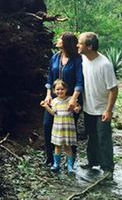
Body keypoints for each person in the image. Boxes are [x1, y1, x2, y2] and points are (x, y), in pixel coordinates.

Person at [77, 32, 118, 175]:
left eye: (80, 43)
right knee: (92, 136)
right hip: (89, 107)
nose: (78, 45)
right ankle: (93, 162)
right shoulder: (83, 59)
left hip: (102, 109)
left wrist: (109, 110)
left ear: (89, 46)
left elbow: (114, 89)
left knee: (103, 139)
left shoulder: (105, 64)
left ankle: (107, 168)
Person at [42, 32, 84, 166]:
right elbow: (50, 78)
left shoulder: (77, 60)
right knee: (47, 125)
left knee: (70, 128)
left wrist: (74, 99)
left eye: (60, 38)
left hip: (71, 100)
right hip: (55, 99)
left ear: (66, 43)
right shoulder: (55, 57)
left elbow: (79, 81)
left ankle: (71, 161)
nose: (58, 40)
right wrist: (48, 94)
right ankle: (50, 158)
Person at [41, 79, 81, 173]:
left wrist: (77, 108)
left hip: (68, 128)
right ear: (54, 91)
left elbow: (77, 108)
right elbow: (53, 113)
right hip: (58, 128)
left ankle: (70, 166)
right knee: (57, 146)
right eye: (57, 89)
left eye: (62, 89)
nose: (60, 91)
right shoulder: (54, 101)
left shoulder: (70, 99)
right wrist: (46, 106)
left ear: (66, 89)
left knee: (68, 147)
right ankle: (56, 164)